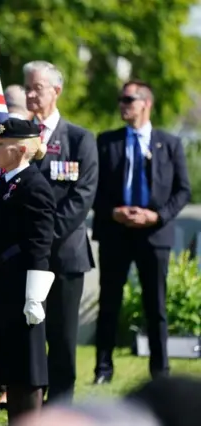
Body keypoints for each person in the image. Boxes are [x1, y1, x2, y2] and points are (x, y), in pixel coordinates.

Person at [92, 80, 191, 384]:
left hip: (153, 235)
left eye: (128, 99)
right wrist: (113, 212)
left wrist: (156, 215)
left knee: (156, 306)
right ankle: (103, 370)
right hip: (115, 233)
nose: (122, 104)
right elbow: (92, 188)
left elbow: (183, 190)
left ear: (146, 103)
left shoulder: (169, 143)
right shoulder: (106, 141)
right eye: (120, 99)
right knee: (109, 303)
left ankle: (160, 372)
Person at [23, 60, 98, 403]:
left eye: (37, 87)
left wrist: (45, 237)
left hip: (64, 254)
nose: (30, 93)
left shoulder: (79, 138)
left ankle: (61, 407)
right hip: (26, 255)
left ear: (56, 91)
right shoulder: (18, 136)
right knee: (30, 334)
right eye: (27, 87)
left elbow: (82, 196)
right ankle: (30, 403)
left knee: (63, 339)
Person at [0, 118, 55, 424]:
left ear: (21, 150)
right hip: (1, 290)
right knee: (10, 370)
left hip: (23, 291)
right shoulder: (3, 185)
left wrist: (34, 297)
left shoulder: (34, 186)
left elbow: (40, 244)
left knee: (26, 374)